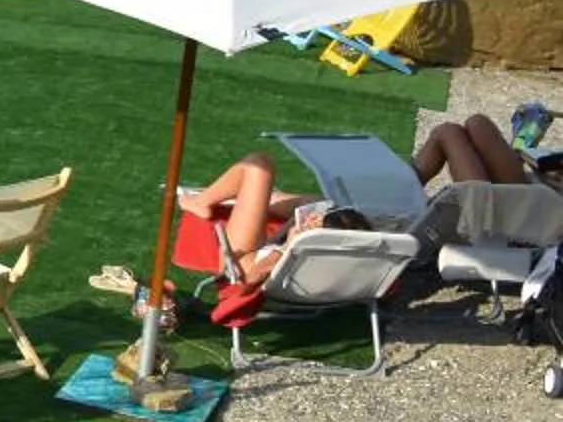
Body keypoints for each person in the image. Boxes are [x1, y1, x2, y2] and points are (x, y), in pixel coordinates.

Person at [180, 152, 369, 286]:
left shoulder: (300, 249)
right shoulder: (341, 261)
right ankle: (256, 196)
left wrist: (290, 246)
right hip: (284, 255)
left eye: (314, 224)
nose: (311, 221)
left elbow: (251, 278)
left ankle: (203, 202)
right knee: (319, 202)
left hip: (244, 262)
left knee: (259, 166)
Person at [412, 111, 562, 188]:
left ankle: (399, 195)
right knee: (478, 123)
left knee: (447, 132)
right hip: (538, 188)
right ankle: (402, 189)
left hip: (536, 213)